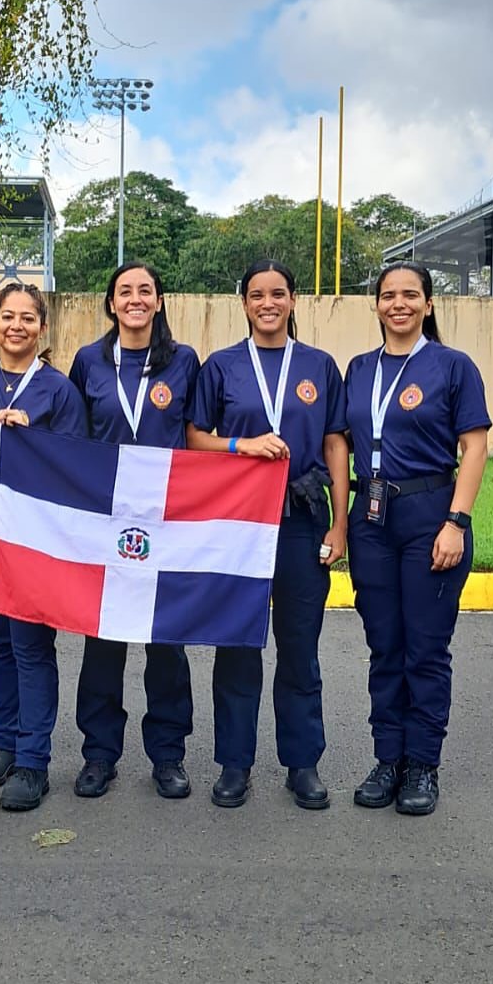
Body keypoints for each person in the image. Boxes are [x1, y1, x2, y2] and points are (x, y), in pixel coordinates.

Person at [187, 259, 349, 809]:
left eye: (278, 294)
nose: (268, 303)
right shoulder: (222, 366)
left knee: (299, 648)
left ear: (293, 300)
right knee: (237, 645)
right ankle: (235, 763)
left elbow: (335, 444)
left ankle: (302, 764)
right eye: (257, 295)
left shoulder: (319, 366)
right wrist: (242, 445)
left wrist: (340, 522)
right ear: (244, 303)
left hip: (302, 519)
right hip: (239, 523)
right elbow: (195, 437)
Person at [346, 263, 490, 816]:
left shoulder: (453, 366)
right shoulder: (360, 369)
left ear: (428, 304)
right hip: (371, 518)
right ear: (376, 305)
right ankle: (388, 759)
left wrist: (457, 522)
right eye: (388, 295)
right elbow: (339, 441)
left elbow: (474, 447)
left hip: (431, 514)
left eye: (410, 295)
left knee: (424, 649)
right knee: (385, 646)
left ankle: (422, 764)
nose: (398, 304)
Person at [69, 263, 200, 800]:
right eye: (125, 291)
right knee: (103, 640)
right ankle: (99, 754)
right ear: (111, 303)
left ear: (159, 300)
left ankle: (168, 755)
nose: (135, 299)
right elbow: (72, 436)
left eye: (145, 290)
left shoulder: (183, 361)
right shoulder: (89, 361)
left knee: (166, 643)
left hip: (166, 520)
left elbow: (196, 436)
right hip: (107, 519)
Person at [0, 283, 87, 812]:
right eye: (7, 317)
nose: (17, 326)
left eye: (28, 318)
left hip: (32, 531)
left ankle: (33, 761)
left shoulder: (58, 390)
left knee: (30, 644)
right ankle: (2, 744)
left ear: (42, 328)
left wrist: (33, 434)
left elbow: (75, 463)